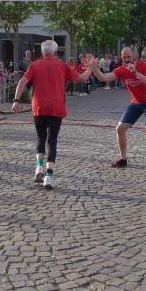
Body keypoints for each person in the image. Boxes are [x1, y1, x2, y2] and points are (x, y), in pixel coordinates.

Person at [11, 40, 93, 189]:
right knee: (52, 140)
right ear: (55, 53)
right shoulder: (63, 66)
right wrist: (91, 68)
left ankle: (39, 167)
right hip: (56, 108)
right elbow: (82, 78)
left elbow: (22, 81)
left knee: (40, 137)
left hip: (39, 107)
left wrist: (16, 100)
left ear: (42, 52)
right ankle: (48, 177)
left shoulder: (34, 65)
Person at [90, 46, 146, 172]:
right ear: (121, 58)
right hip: (136, 102)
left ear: (133, 55)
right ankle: (123, 159)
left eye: (129, 57)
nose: (127, 59)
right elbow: (104, 78)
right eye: (124, 57)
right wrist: (94, 68)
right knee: (120, 128)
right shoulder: (121, 70)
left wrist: (136, 73)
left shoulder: (144, 66)